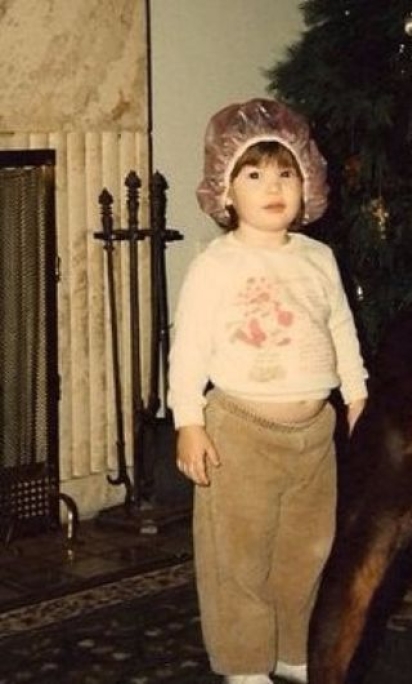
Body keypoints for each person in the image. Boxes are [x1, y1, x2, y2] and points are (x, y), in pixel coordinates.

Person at [168, 98, 368, 684]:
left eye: (286, 172)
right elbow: (190, 347)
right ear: (225, 194)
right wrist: (188, 420)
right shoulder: (216, 265)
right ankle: (244, 663)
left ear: (308, 185)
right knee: (240, 556)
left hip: (314, 433)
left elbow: (339, 328)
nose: (273, 185)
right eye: (253, 174)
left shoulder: (319, 258)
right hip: (240, 432)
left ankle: (287, 648)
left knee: (305, 552)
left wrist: (356, 395)